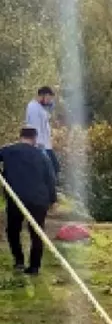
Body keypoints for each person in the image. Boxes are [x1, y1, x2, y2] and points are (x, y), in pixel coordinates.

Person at [0, 127, 57, 275]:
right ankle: (34, 267)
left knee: (13, 230)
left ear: (20, 137)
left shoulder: (8, 151)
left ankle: (19, 261)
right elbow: (50, 178)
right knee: (37, 233)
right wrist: (52, 199)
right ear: (35, 138)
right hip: (38, 199)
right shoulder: (42, 155)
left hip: (16, 198)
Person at [25, 87, 60, 177]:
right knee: (51, 170)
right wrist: (37, 145)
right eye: (48, 98)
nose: (49, 101)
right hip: (40, 145)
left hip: (46, 145)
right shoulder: (33, 107)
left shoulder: (41, 107)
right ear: (42, 96)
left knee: (55, 168)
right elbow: (34, 127)